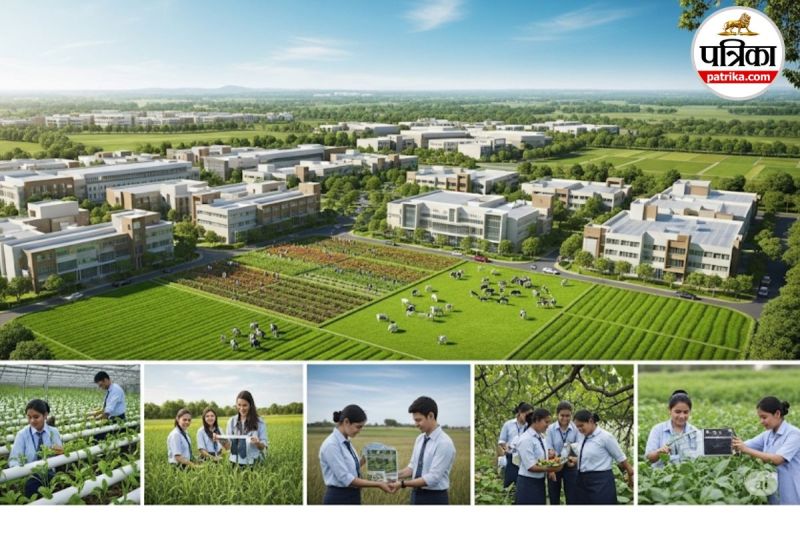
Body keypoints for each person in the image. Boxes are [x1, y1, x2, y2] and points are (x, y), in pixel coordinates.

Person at [319, 404, 395, 504]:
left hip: (353, 495)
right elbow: (346, 478)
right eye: (358, 427)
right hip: (339, 497)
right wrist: (379, 484)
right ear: (346, 422)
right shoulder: (332, 445)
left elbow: (351, 468)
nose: (359, 431)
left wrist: (366, 458)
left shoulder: (346, 442)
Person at [733, 396, 800, 505]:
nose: (761, 421)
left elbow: (778, 459)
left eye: (764, 417)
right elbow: (744, 445)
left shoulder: (794, 434)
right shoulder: (768, 434)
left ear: (777, 414)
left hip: (791, 494)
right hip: (773, 492)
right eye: (760, 418)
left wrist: (745, 449)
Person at [391, 396, 456, 505]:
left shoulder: (444, 443)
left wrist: (402, 484)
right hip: (415, 494)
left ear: (431, 416)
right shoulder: (420, 439)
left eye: (418, 420)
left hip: (434, 498)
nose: (416, 424)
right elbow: (412, 468)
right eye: (415, 420)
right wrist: (391, 476)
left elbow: (433, 478)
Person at [572, 410, 634, 505]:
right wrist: (576, 461)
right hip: (582, 481)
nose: (579, 429)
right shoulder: (582, 436)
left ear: (591, 421)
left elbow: (621, 458)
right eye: (577, 427)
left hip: (601, 482)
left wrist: (630, 476)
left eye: (581, 425)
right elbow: (589, 456)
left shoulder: (605, 437)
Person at [8, 399, 64, 498]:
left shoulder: (54, 432)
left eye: (36, 417)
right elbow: (14, 461)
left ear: (45, 415)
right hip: (30, 478)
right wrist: (21, 471)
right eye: (29, 417)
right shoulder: (22, 435)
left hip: (51, 477)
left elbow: (60, 455)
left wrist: (60, 452)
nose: (32, 421)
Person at [516, 408, 562, 505]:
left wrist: (551, 466)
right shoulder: (526, 439)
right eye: (546, 422)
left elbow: (541, 459)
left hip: (539, 481)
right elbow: (531, 466)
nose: (548, 425)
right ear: (536, 420)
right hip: (528, 483)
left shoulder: (541, 437)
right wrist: (551, 468)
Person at [645, 390, 699, 467]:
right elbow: (649, 458)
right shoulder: (657, 430)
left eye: (685, 412)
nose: (682, 416)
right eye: (677, 412)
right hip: (661, 474)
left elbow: (700, 458)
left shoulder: (695, 432)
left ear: (690, 412)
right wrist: (659, 452)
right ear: (669, 410)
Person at [546, 400, 579, 504]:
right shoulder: (550, 429)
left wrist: (572, 460)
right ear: (557, 415)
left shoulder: (576, 428)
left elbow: (578, 446)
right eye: (562, 415)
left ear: (571, 415)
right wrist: (551, 469)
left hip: (570, 465)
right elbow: (548, 448)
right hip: (554, 465)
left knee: (572, 496)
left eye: (568, 416)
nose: (565, 418)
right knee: (553, 495)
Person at [225, 390, 267, 466]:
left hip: (253, 460)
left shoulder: (259, 422)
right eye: (239, 405)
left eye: (245, 405)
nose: (241, 408)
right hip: (235, 460)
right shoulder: (231, 421)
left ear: (250, 405)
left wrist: (257, 443)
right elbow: (228, 446)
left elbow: (263, 446)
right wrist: (220, 440)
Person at [498, 401, 533, 488]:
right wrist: (506, 448)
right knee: (509, 484)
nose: (529, 417)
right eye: (527, 414)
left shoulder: (530, 426)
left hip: (525, 459)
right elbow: (501, 441)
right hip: (511, 458)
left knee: (523, 485)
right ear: (520, 412)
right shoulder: (508, 425)